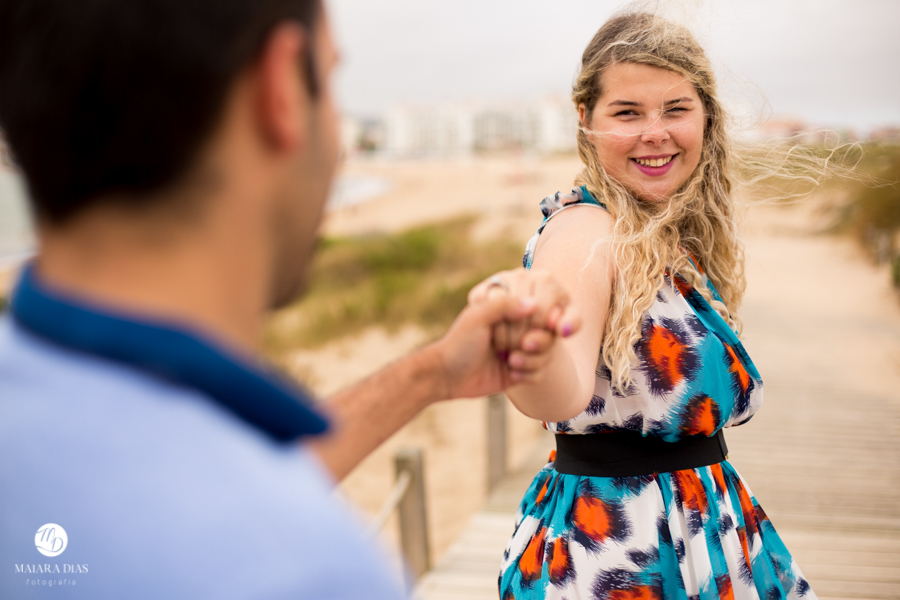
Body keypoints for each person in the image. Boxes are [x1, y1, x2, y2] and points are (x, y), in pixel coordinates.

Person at [0, 0, 580, 598]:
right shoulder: (303, 570)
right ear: (280, 87)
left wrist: (430, 373)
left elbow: (197, 482)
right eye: (329, 79)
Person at [475, 10, 816, 600]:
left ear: (705, 116)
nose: (655, 133)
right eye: (627, 113)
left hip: (700, 529)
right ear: (585, 121)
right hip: (617, 555)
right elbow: (561, 391)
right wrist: (531, 347)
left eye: (675, 110)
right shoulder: (587, 232)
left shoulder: (667, 233)